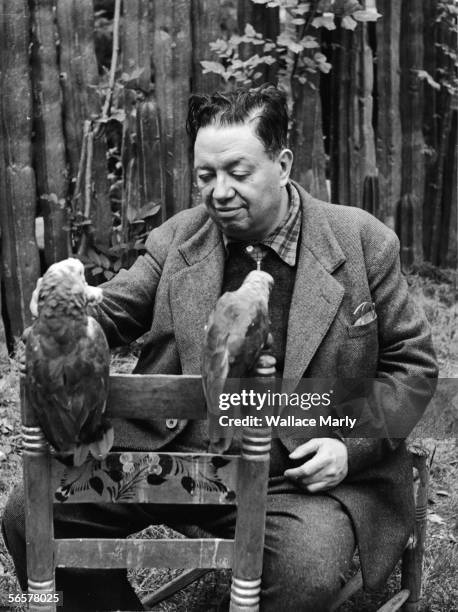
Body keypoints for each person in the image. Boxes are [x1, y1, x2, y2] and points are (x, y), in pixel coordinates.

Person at [2, 84, 437, 611]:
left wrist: (351, 447)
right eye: (206, 176)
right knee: (29, 511)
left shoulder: (363, 244)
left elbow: (412, 368)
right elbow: (113, 310)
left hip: (292, 481)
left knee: (303, 572)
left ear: (282, 162)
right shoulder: (176, 240)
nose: (219, 191)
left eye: (238, 171)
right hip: (171, 462)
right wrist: (63, 307)